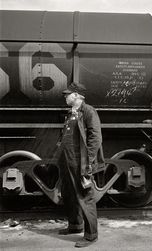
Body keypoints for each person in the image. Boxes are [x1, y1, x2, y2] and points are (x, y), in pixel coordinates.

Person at [58, 81, 104, 248]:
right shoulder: (71, 113)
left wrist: (88, 161)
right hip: (67, 162)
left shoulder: (88, 111)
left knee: (85, 197)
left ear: (76, 95)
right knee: (69, 194)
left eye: (68, 94)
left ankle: (91, 236)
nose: (65, 97)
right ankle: (75, 225)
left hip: (80, 163)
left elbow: (96, 138)